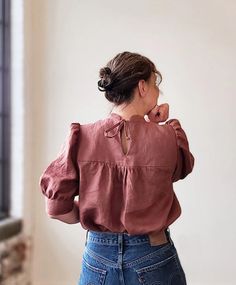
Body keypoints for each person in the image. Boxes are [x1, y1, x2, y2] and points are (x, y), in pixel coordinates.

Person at [39, 51, 195, 285]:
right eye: (155, 84)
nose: (158, 92)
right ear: (142, 87)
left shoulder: (81, 136)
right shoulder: (169, 137)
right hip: (152, 253)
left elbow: (56, 209)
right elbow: (180, 170)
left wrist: (90, 210)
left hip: (98, 256)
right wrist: (160, 126)